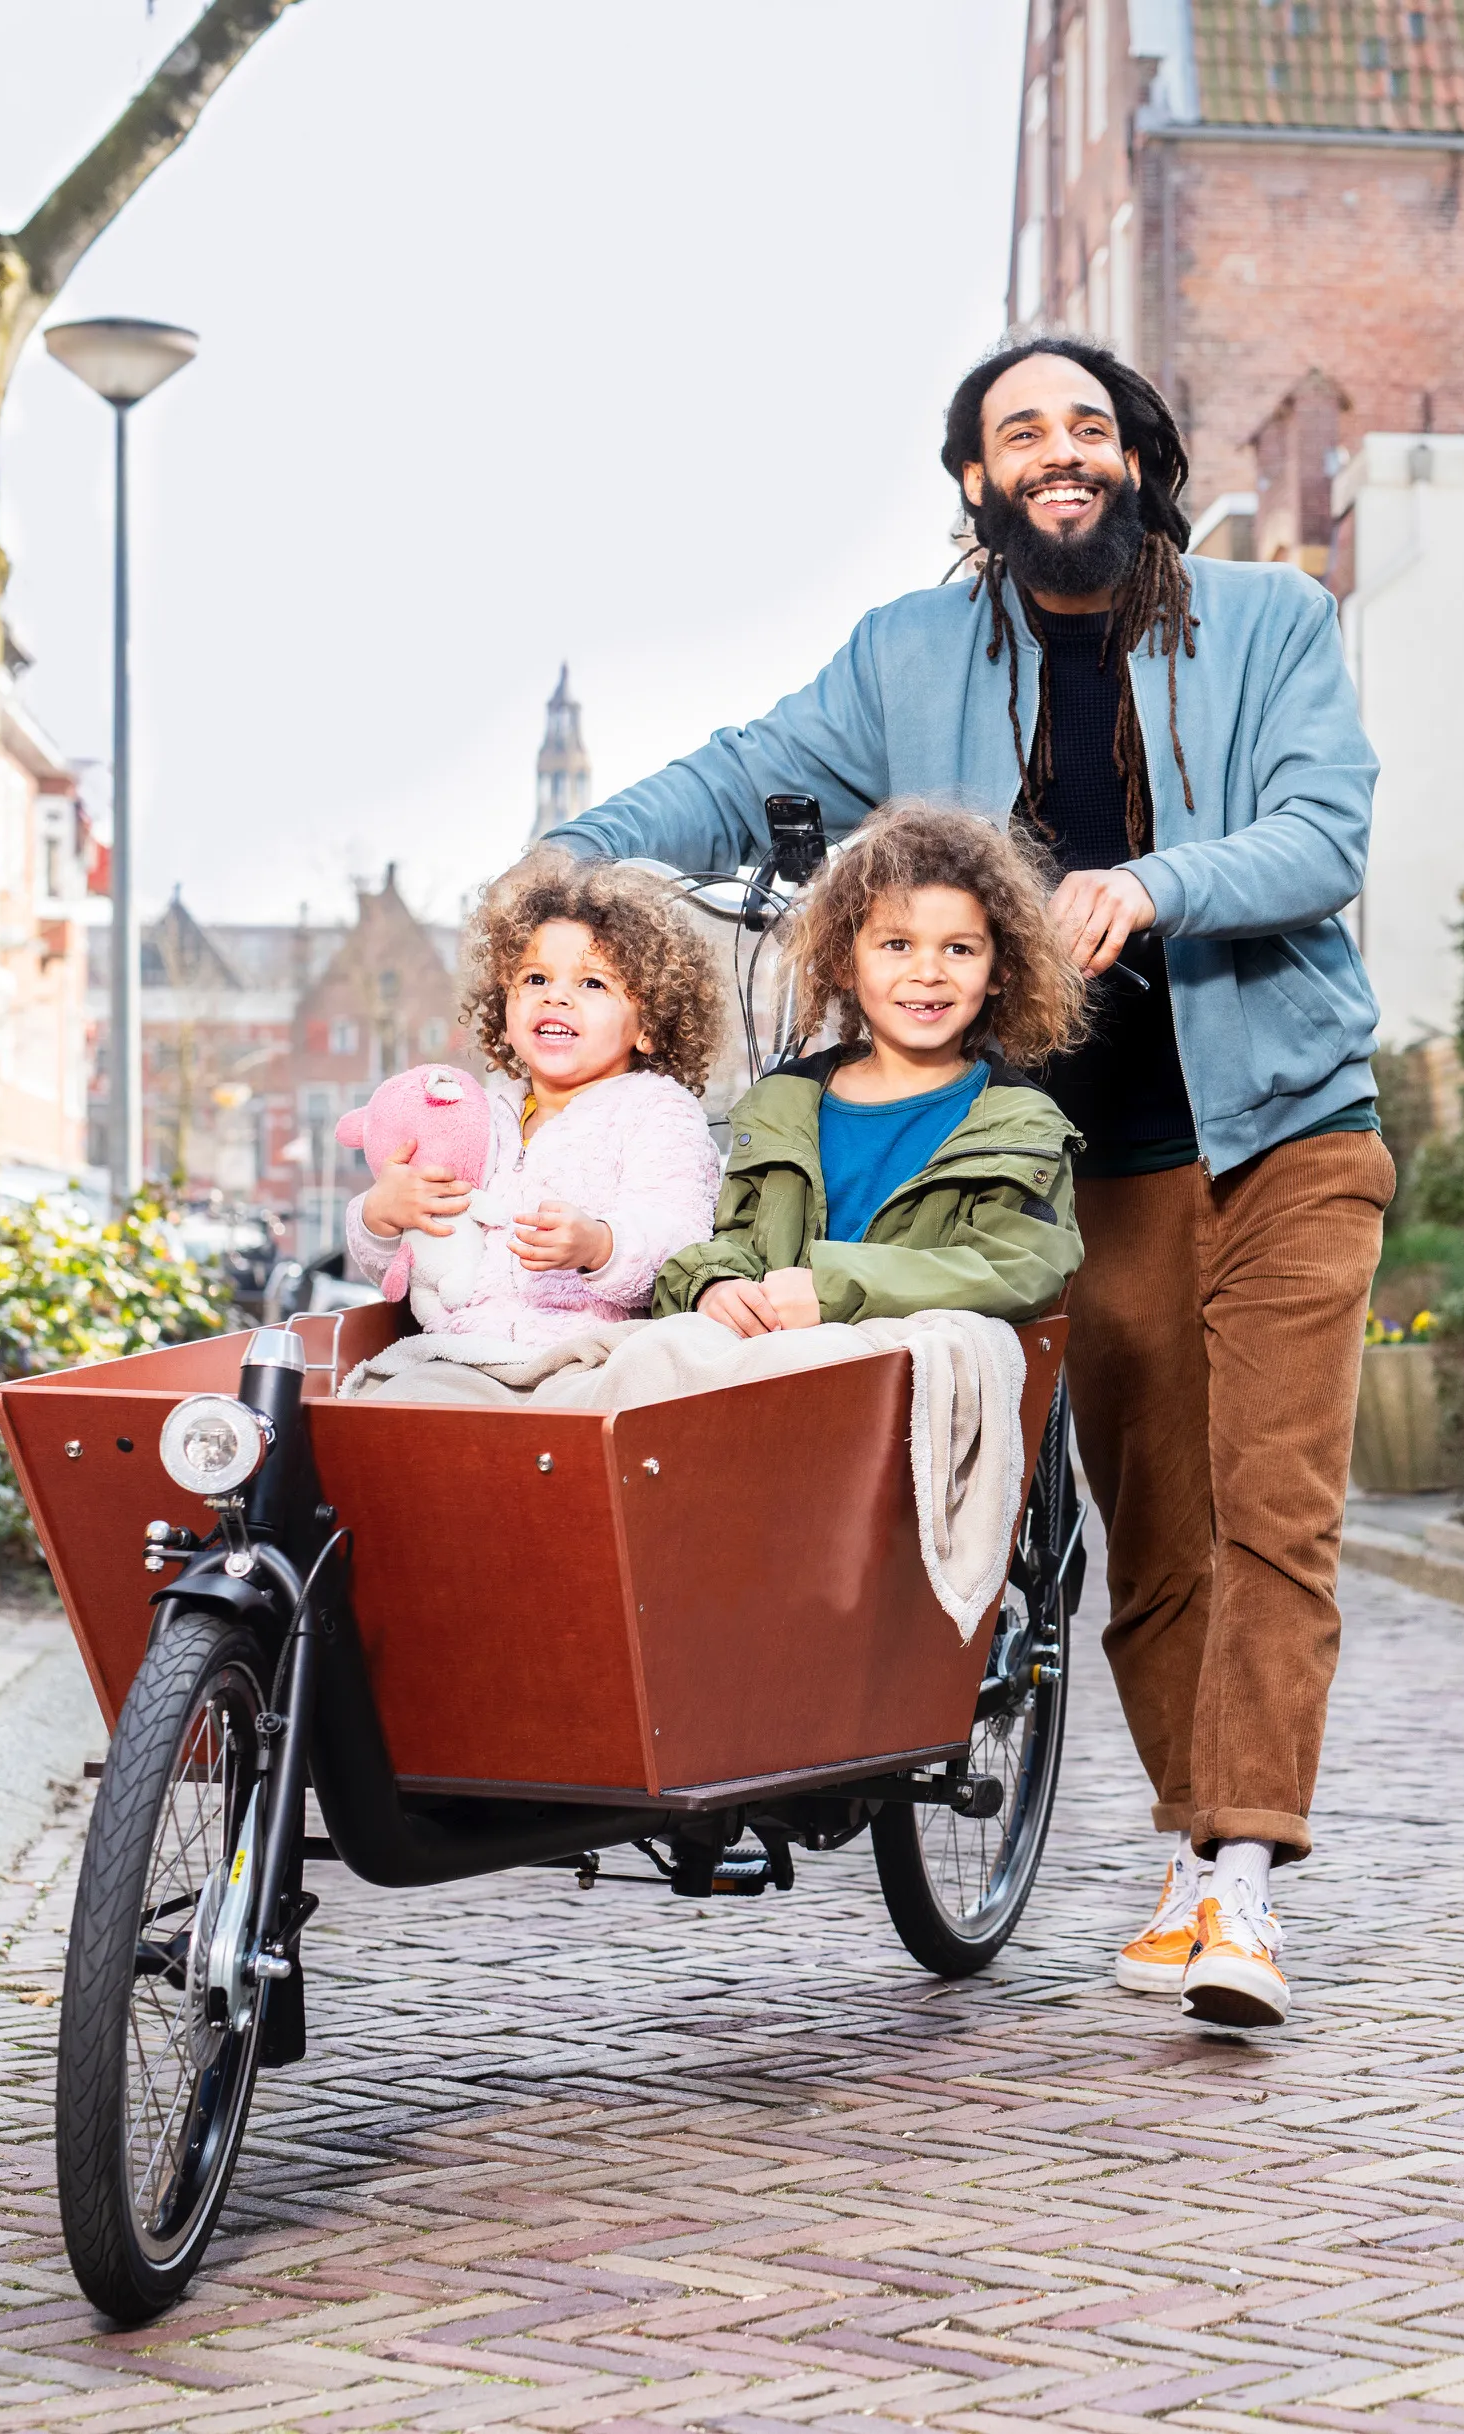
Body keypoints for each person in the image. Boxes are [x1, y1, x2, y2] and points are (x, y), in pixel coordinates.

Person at [544, 335, 1388, 2031]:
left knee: (1268, 1499)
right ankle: (1189, 1840)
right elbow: (738, 768)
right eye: (1021, 433)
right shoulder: (908, 654)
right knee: (1153, 1533)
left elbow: (1323, 834)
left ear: (1139, 455)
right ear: (976, 482)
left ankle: (1241, 1878)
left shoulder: (1271, 621)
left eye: (1089, 424)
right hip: (1077, 1160)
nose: (1058, 452)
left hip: (1281, 1124)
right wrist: (569, 864)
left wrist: (1146, 886)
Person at [656, 805, 1087, 1332]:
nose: (927, 972)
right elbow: (736, 1242)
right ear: (844, 960)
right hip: (767, 1374)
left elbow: (1018, 1268)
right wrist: (715, 1285)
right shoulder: (781, 1102)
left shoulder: (1022, 1123)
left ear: (999, 970)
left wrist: (829, 1290)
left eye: (958, 949)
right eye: (896, 945)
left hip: (906, 1386)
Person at [350, 853, 724, 1349]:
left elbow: (679, 1236)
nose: (556, 997)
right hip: (461, 1349)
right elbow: (403, 1262)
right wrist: (381, 1215)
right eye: (535, 979)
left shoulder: (657, 1113)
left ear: (649, 1026)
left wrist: (601, 1244)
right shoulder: (474, 1114)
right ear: (502, 1006)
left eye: (592, 983)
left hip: (589, 1352)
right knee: (382, 1402)